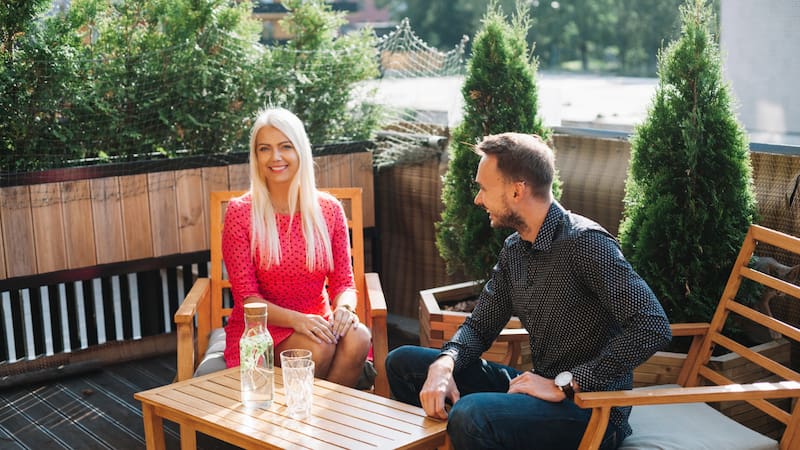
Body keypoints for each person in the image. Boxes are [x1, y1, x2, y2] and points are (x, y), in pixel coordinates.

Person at [386, 132, 672, 449]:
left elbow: (652, 325)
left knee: (472, 414)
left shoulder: (586, 244)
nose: (478, 199)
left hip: (591, 409)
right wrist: (446, 362)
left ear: (517, 190)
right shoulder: (515, 250)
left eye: (483, 188)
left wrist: (568, 383)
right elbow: (480, 326)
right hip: (537, 387)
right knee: (404, 364)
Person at [221, 107, 371, 388]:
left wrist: (345, 309)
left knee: (359, 336)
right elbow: (248, 300)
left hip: (316, 322)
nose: (275, 157)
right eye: (264, 149)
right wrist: (299, 321)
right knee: (318, 349)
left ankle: (320, 425)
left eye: (285, 147)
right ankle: (306, 425)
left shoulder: (329, 210)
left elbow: (344, 284)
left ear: (300, 150)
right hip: (261, 330)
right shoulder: (241, 213)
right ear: (256, 157)